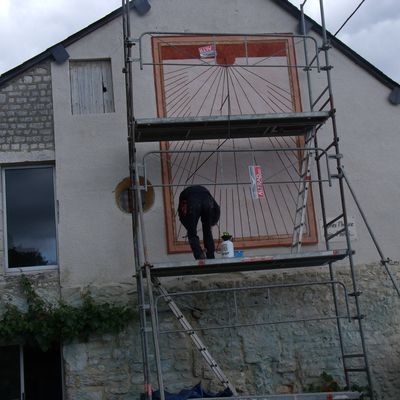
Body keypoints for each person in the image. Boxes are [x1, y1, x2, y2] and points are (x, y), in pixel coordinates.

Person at [178, 185, 220, 260]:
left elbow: (181, 215)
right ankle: (211, 256)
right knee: (207, 231)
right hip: (207, 201)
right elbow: (217, 208)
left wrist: (190, 227)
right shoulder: (205, 192)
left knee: (192, 233)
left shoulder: (183, 195)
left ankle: (199, 256)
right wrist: (212, 222)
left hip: (192, 201)